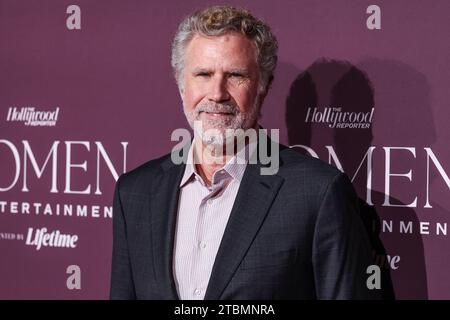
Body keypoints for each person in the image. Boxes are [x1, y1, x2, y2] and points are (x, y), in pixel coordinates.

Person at [110, 5, 378, 300]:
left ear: (263, 86)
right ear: (180, 84)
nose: (217, 93)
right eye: (203, 74)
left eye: (235, 75)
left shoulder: (317, 193)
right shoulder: (135, 193)